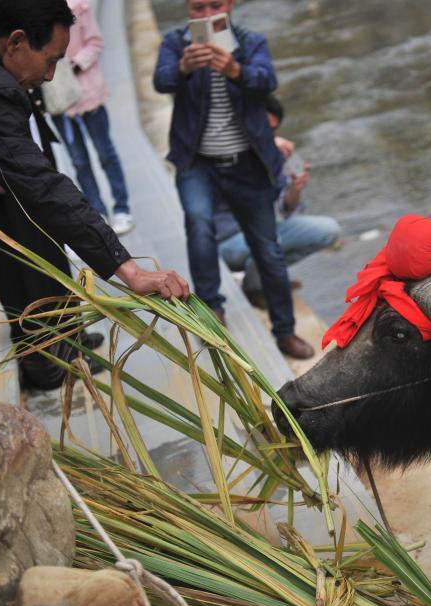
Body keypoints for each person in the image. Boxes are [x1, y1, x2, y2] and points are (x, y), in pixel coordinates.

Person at [0, 0, 189, 392]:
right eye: (51, 59)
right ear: (17, 42)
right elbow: (45, 188)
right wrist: (129, 270)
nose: (50, 75)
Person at [153, 0, 314, 360]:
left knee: (268, 248)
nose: (207, 15)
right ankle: (213, 310)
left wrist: (235, 69)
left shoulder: (250, 42)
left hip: (248, 165)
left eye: (214, 5)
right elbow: (161, 81)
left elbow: (268, 79)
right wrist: (182, 67)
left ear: (230, 5)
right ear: (186, 8)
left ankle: (285, 331)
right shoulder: (176, 43)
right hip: (198, 163)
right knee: (198, 222)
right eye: (197, 8)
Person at [216, 94, 340, 307]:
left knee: (329, 230)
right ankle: (260, 285)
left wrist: (295, 188)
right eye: (261, 127)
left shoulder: (274, 156)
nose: (266, 134)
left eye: (272, 130)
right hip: (226, 241)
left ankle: (260, 279)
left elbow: (286, 208)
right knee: (270, 238)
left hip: (263, 230)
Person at [50, 0, 133, 235]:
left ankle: (122, 207)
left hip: (89, 92)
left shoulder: (79, 7)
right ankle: (97, 212)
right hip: (59, 99)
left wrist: (74, 65)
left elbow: (95, 42)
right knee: (79, 161)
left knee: (106, 153)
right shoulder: (32, 14)